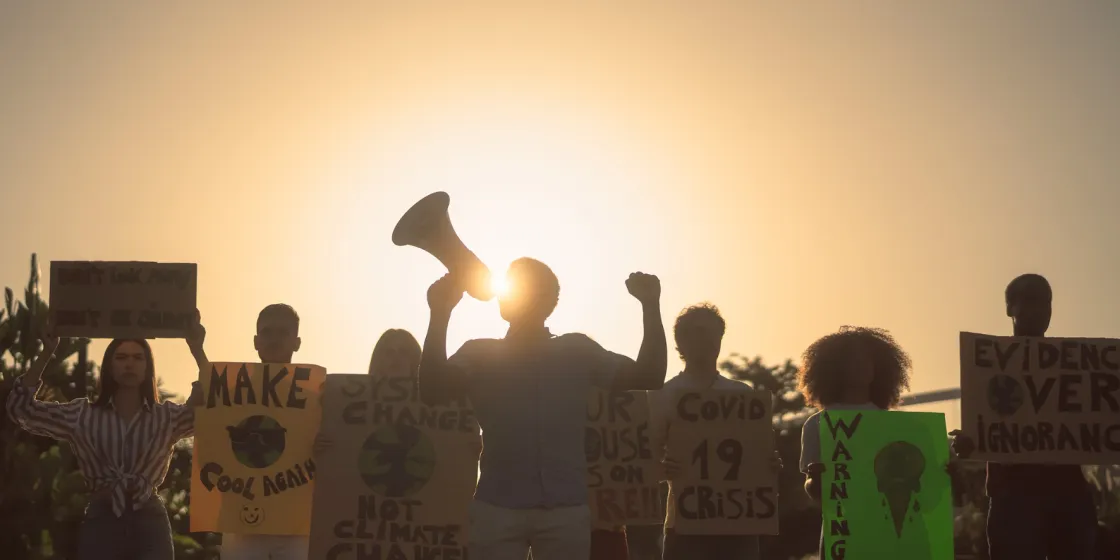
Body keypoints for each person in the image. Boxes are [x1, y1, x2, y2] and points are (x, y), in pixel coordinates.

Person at [418, 257, 667, 560]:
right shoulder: (479, 353)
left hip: (560, 510)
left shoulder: (576, 350)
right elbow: (431, 391)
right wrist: (439, 312)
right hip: (500, 508)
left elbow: (649, 377)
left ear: (543, 299)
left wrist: (651, 305)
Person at [5, 312, 208, 560]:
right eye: (121, 358)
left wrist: (197, 349)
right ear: (109, 367)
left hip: (150, 518)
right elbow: (20, 409)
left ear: (148, 368)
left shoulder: (166, 417)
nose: (129, 364)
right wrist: (47, 352)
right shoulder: (82, 415)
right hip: (103, 516)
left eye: (137, 358)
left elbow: (219, 410)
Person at [949, 274, 1096, 560]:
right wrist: (971, 442)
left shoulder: (1075, 370)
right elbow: (985, 422)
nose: (1040, 309)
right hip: (1014, 496)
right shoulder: (986, 366)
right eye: (1030, 300)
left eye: (1046, 302)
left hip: (1068, 493)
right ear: (1009, 308)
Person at [649, 303, 783, 560]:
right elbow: (644, 461)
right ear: (681, 340)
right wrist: (662, 469)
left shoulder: (743, 394)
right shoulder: (664, 395)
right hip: (685, 524)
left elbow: (756, 455)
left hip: (739, 523)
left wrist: (769, 464)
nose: (708, 340)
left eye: (714, 333)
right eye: (699, 332)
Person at [796, 326, 913, 556]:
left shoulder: (895, 426)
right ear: (836, 369)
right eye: (852, 360)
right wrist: (816, 482)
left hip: (888, 535)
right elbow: (811, 486)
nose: (862, 365)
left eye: (867, 359)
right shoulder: (818, 424)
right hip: (841, 534)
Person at [221, 304, 310, 560]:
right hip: (241, 519)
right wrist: (196, 349)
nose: (274, 339)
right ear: (256, 341)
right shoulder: (227, 392)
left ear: (297, 342)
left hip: (296, 522)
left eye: (283, 332)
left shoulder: (317, 396)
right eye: (267, 332)